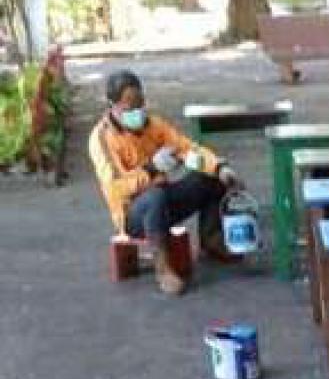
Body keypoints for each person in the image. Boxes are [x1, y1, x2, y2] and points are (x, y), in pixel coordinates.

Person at [89, 69, 245, 296]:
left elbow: (186, 149)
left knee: (210, 177)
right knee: (154, 196)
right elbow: (115, 187)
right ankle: (163, 269)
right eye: (129, 108)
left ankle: (211, 240)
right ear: (112, 106)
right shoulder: (101, 138)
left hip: (165, 200)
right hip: (133, 214)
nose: (136, 112)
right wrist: (151, 169)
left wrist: (219, 167)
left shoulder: (154, 125)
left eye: (139, 105)